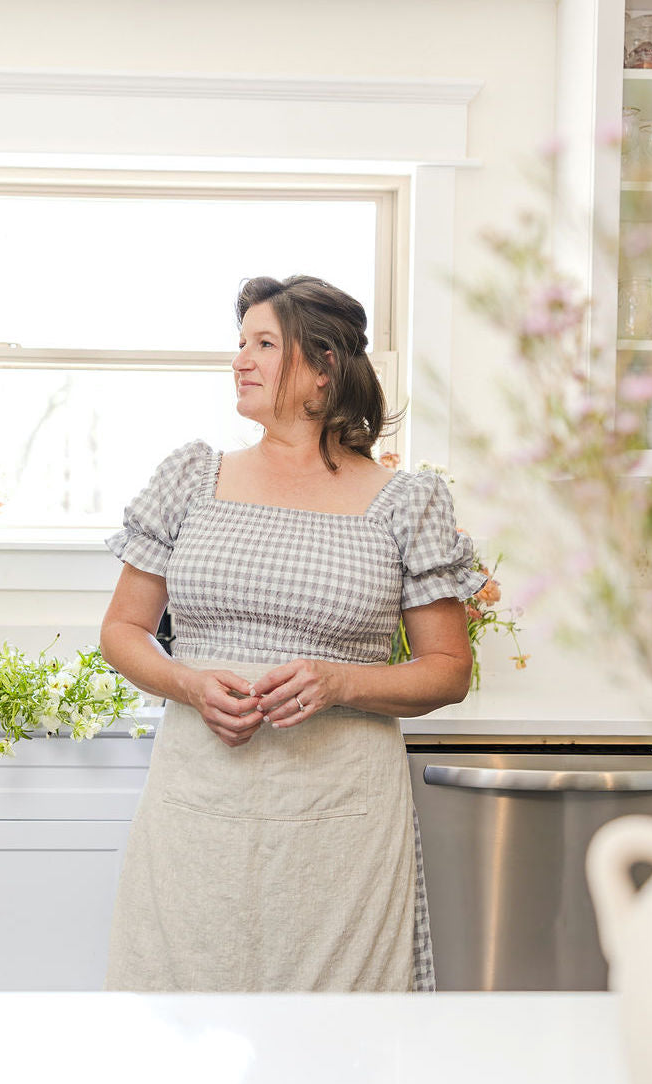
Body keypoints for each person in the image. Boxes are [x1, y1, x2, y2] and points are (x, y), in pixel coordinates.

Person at [100, 275, 485, 992]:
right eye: (240, 343)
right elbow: (122, 630)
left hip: (343, 826)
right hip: (197, 809)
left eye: (264, 344)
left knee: (338, 1051)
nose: (240, 359)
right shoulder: (191, 477)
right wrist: (187, 680)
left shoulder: (409, 501)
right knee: (181, 1033)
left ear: (323, 366)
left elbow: (447, 668)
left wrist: (342, 681)